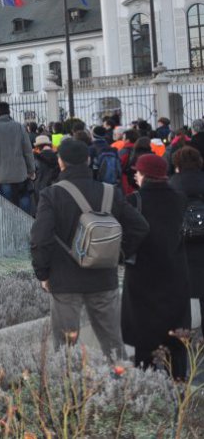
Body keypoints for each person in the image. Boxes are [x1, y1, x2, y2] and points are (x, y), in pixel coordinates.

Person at [30, 140, 149, 359]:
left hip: (65, 280)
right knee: (113, 344)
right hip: (104, 278)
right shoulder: (110, 192)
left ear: (61, 162)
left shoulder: (52, 194)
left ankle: (70, 389)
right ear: (87, 160)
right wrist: (119, 255)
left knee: (65, 348)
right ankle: (121, 384)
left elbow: (40, 238)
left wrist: (43, 273)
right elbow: (140, 226)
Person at [122, 154, 191, 376]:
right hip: (175, 276)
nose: (135, 174)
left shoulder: (134, 201)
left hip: (143, 279)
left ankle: (148, 390)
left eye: (138, 171)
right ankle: (180, 386)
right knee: (176, 339)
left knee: (145, 343)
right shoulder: (180, 198)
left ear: (145, 174)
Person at [170, 146, 204, 342]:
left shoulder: (172, 185)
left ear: (177, 164)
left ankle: (183, 336)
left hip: (182, 246)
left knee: (182, 294)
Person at [0, 101, 35, 212]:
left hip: (2, 175)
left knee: (7, 205)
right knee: (23, 198)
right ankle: (25, 222)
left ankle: (10, 226)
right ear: (9, 111)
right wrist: (31, 169)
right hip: (20, 172)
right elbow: (27, 151)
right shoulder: (19, 127)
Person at [32, 135, 60, 212]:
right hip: (56, 188)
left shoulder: (36, 158)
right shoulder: (59, 157)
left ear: (38, 147)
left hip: (40, 189)